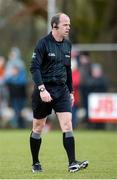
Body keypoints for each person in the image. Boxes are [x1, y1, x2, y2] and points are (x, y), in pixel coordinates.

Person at [30, 13, 88, 173]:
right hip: (44, 89)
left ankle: (72, 163)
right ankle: (35, 163)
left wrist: (71, 91)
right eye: (65, 24)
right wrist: (42, 89)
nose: (68, 27)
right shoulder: (43, 44)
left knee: (67, 124)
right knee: (38, 127)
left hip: (61, 90)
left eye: (69, 24)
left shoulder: (68, 45)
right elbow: (34, 68)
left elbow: (68, 70)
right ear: (55, 26)